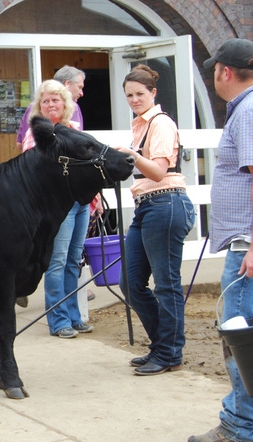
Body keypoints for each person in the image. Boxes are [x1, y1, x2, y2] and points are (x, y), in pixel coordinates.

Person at [189, 38, 253, 442]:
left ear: (224, 72)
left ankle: (239, 427)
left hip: (247, 246)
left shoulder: (247, 111)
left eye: (214, 70)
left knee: (240, 336)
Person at [114, 64, 194, 375]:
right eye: (129, 95)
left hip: (166, 202)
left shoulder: (161, 124)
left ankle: (170, 352)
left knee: (166, 283)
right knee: (130, 282)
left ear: (153, 93)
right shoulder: (139, 125)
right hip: (147, 204)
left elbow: (159, 171)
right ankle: (163, 345)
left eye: (140, 94)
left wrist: (130, 155)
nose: (134, 99)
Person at [22, 79, 94, 339]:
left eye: (56, 99)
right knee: (57, 261)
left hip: (81, 204)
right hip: (57, 206)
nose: (51, 104)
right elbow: (35, 173)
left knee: (74, 261)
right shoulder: (36, 135)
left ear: (65, 103)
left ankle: (74, 316)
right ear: (39, 107)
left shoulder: (74, 129)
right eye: (46, 100)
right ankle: (59, 320)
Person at [16, 65, 86, 149]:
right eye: (79, 87)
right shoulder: (72, 107)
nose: (51, 105)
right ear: (67, 84)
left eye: (55, 100)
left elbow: (20, 143)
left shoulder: (33, 106)